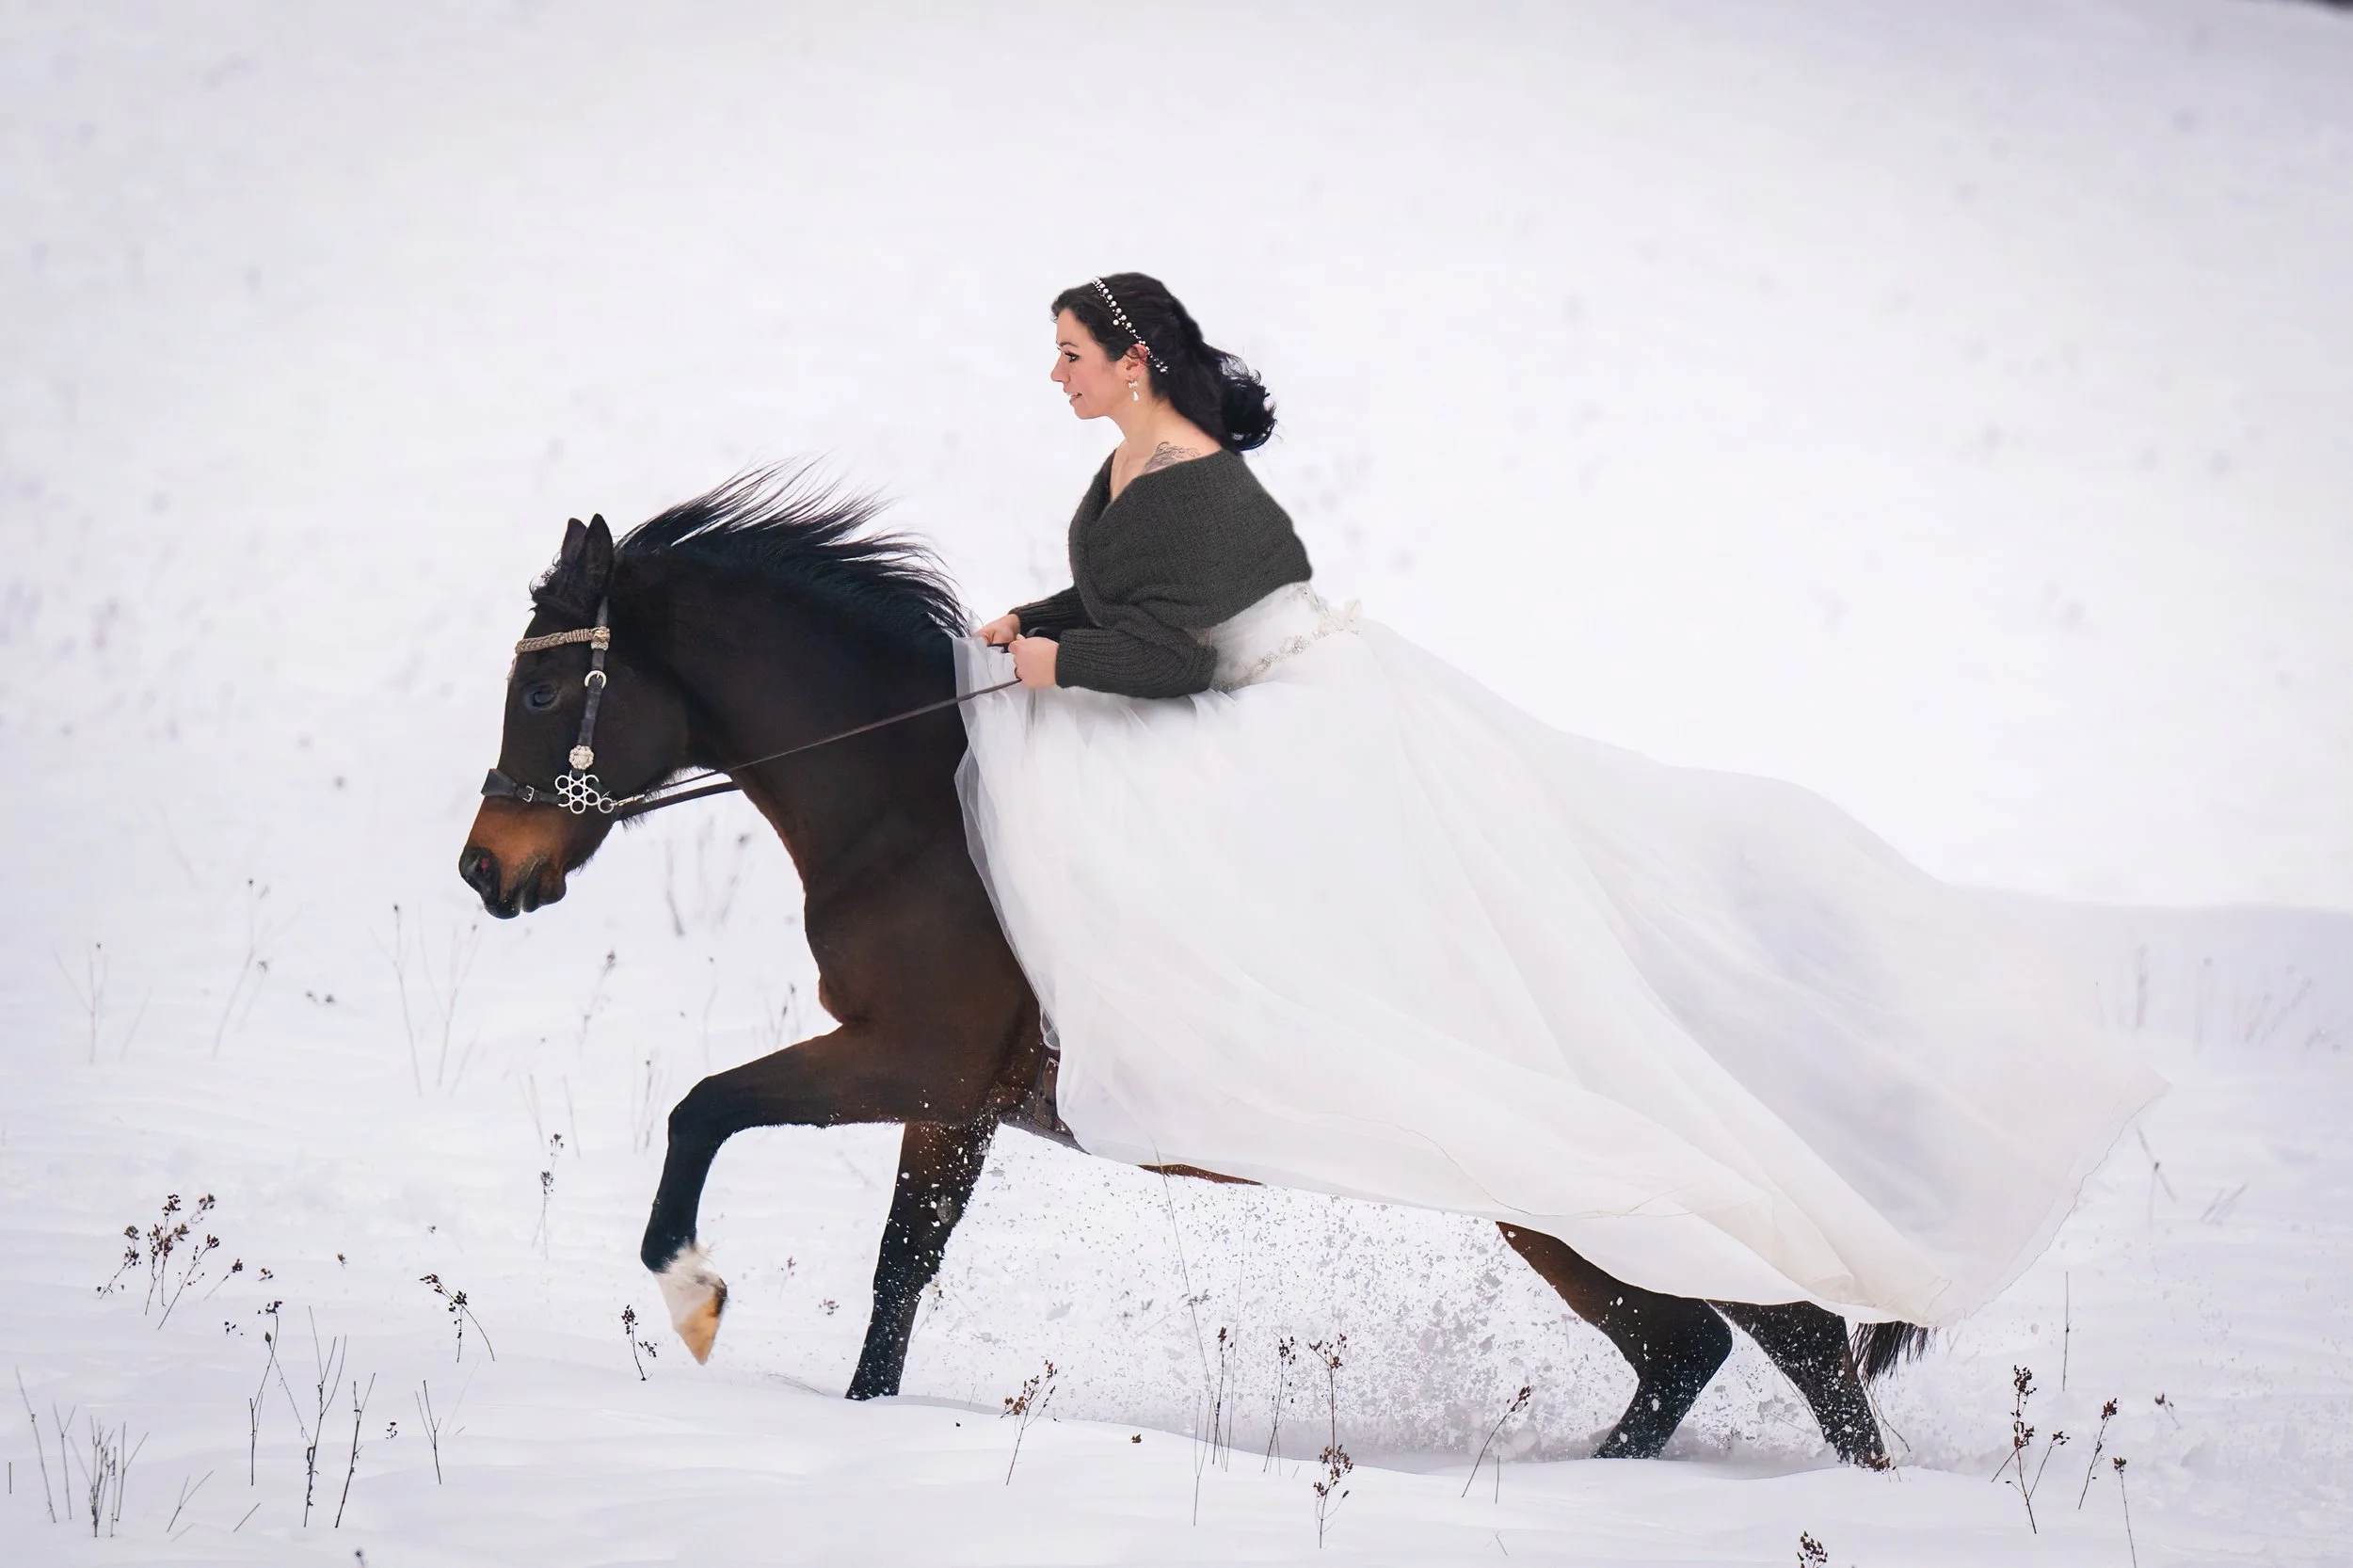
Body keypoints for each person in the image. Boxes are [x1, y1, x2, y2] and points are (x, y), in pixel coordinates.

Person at [956, 272, 2161, 1326]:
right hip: (1222, 682)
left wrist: (1056, 665)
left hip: (1283, 707)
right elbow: (1133, 600)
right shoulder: (1130, 461)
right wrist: (1041, 619)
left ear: (1136, 362)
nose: (1053, 373)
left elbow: (1177, 661)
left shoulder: (1202, 483)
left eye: (1070, 352)